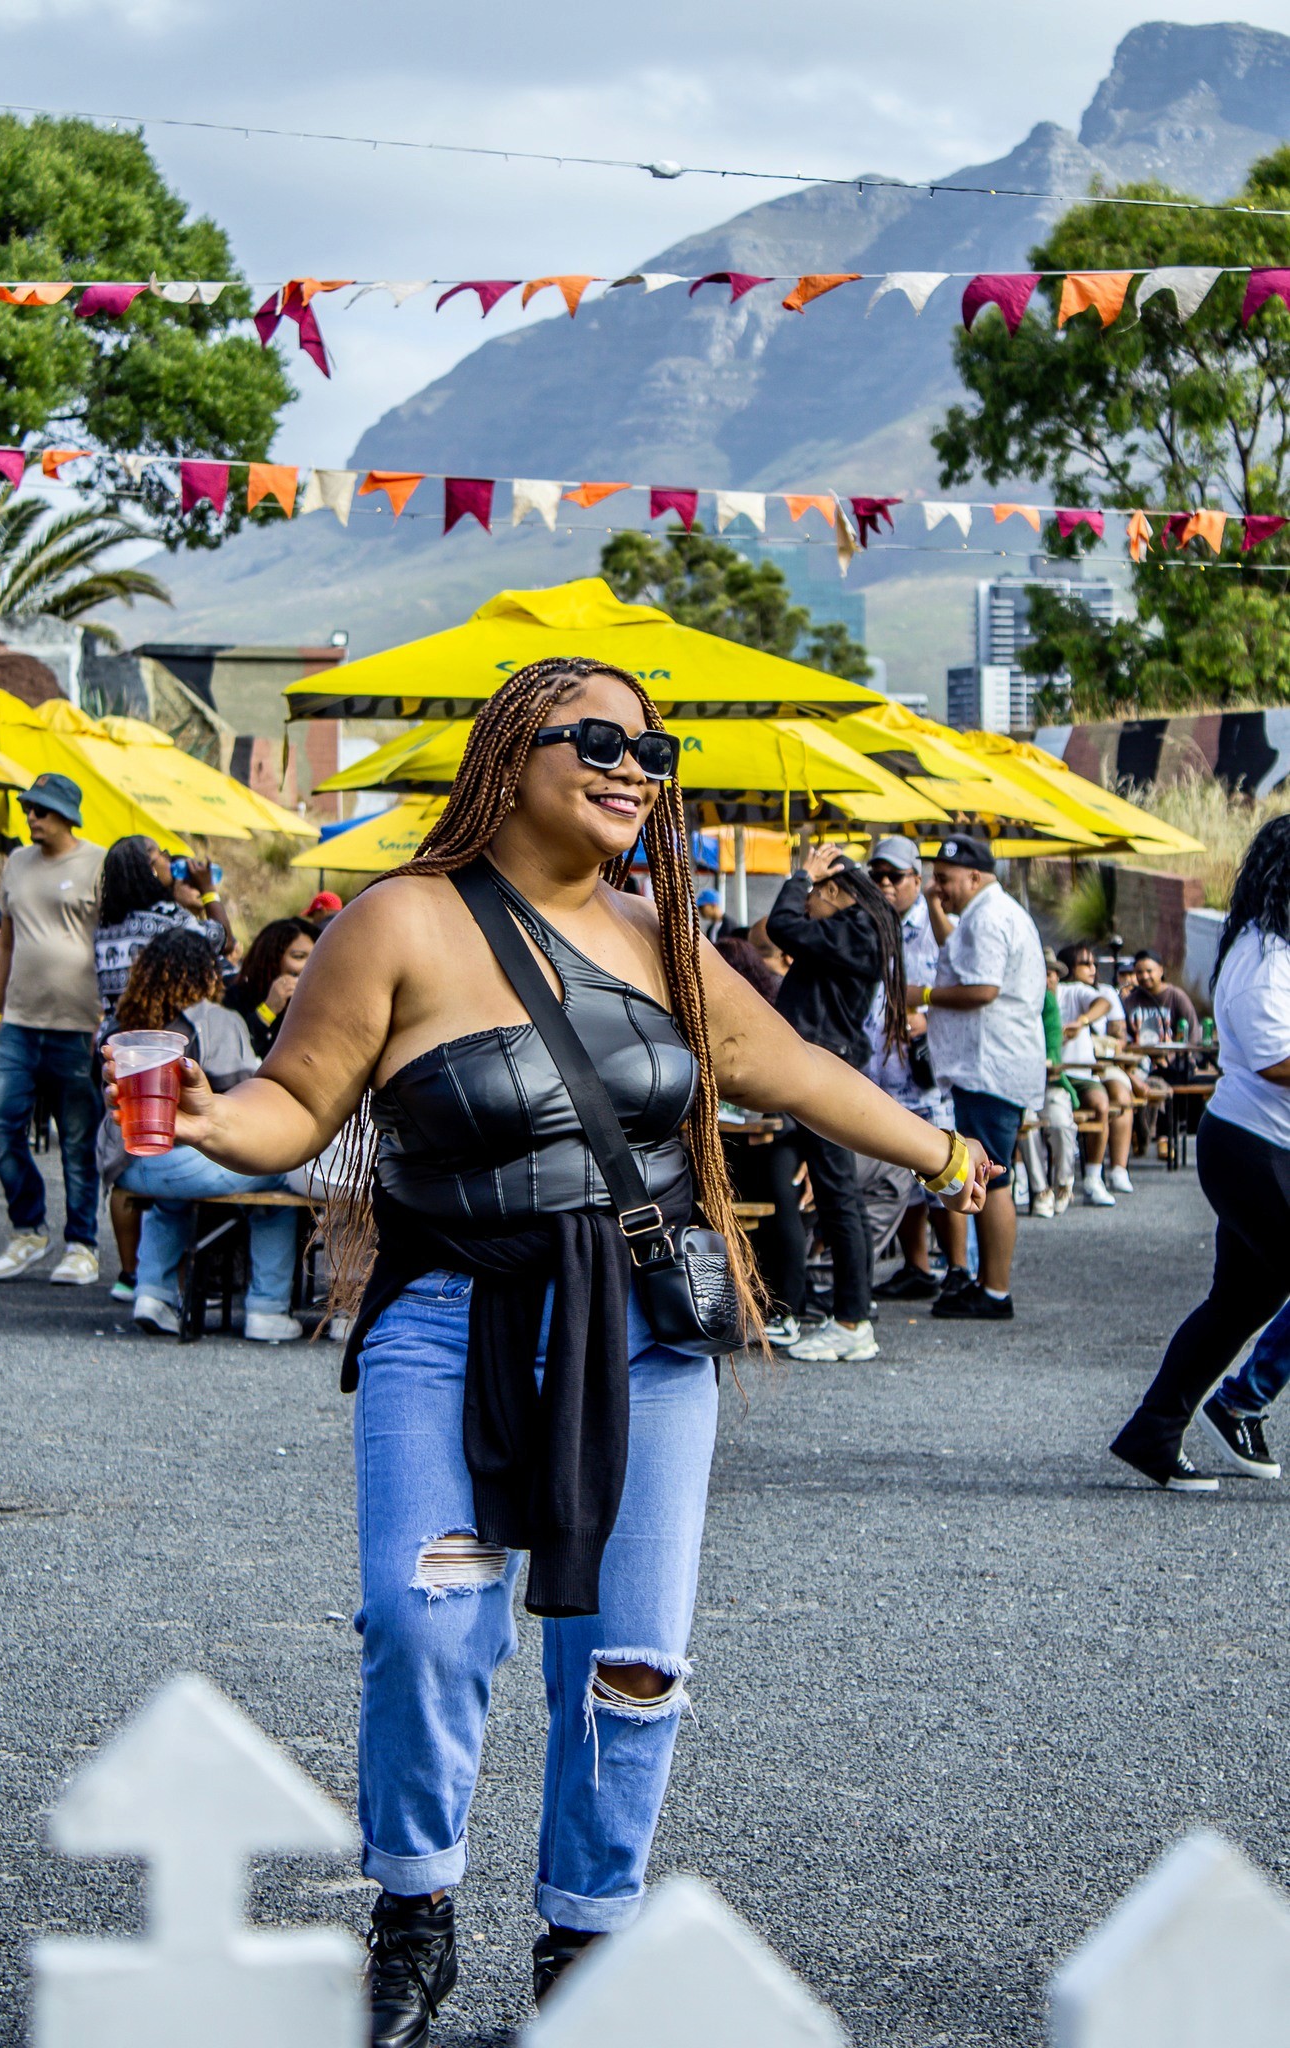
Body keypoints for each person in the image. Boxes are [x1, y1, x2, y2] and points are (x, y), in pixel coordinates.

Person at [129, 656, 989, 2039]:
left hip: (643, 1334)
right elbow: (297, 1099)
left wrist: (953, 1152)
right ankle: (413, 1909)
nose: (630, 766)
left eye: (650, 750)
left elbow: (789, 1069)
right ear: (509, 750)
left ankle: (588, 1937)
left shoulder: (660, 934)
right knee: (428, 1623)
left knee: (631, 1661)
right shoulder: (401, 920)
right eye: (595, 739)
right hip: (449, 1322)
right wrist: (214, 1124)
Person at [1111, 816, 1290, 1491]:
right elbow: (1275, 1061)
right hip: (1252, 1152)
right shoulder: (1262, 959)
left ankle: (1151, 1432)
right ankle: (1224, 1406)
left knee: (1238, 1304)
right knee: (1238, 1302)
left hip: (1260, 1148)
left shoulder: (1277, 946)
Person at [100, 927, 302, 1342]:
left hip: (124, 1159)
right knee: (280, 1180)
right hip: (178, 1155)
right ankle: (267, 1308)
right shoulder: (216, 1018)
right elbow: (244, 1095)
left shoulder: (126, 1020)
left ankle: (152, 1295)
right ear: (208, 973)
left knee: (174, 1198)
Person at [766, 846, 909, 1362]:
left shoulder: (856, 931)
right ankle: (824, 1313)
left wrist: (801, 873)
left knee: (838, 1197)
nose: (806, 904)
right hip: (817, 1069)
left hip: (824, 1073)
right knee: (823, 1192)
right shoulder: (855, 933)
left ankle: (853, 1321)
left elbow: (781, 926)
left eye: (813, 895)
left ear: (835, 891)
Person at [0, 773, 106, 1284]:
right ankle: (28, 1230)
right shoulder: (15, 863)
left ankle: (82, 1245)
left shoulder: (97, 863)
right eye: (30, 808)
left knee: (78, 1140)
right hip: (18, 1023)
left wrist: (107, 1018)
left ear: (67, 816)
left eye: (43, 810)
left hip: (79, 1027)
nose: (32, 817)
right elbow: (5, 943)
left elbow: (110, 940)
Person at [922, 835, 1046, 1322]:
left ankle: (995, 1290)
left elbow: (982, 988)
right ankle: (987, 1284)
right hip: (990, 1064)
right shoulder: (988, 910)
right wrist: (936, 903)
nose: (939, 888)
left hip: (990, 1066)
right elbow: (956, 951)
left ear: (974, 876)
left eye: (945, 880)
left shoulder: (990, 916)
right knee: (991, 1174)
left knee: (993, 1178)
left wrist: (923, 993)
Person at [865, 835, 956, 1299]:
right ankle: (917, 1267)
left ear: (916, 881)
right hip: (880, 1068)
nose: (884, 883)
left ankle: (959, 1269)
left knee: (942, 1172)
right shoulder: (870, 923)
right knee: (902, 1173)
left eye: (894, 876)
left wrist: (928, 1015)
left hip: (925, 1073)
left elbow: (966, 987)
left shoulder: (937, 926)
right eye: (875, 875)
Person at [714, 934, 808, 1347]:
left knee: (774, 1186)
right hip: (760, 1127)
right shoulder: (768, 1003)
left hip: (778, 1126)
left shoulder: (766, 1013)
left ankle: (782, 1307)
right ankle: (765, 1303)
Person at [94, 835, 233, 1017]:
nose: (168, 859)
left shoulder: (105, 928)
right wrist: (208, 889)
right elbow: (226, 941)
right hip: (156, 1035)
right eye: (162, 854)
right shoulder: (167, 917)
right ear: (152, 869)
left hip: (113, 1036)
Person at [1053, 944, 1129, 1206]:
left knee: (1101, 1103)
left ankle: (1094, 1179)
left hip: (1080, 1074)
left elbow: (1104, 1003)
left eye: (1054, 972)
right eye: (1046, 972)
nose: (1049, 977)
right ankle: (1032, 1183)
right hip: (1046, 1076)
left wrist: (1082, 1021)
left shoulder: (1073, 991)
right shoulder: (1031, 995)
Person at [1019, 948, 1079, 1218]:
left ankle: (1063, 1183)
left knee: (1059, 1122)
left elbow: (1053, 1048)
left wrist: (1044, 1061)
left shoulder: (1048, 1002)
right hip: (1019, 1085)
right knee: (1026, 1123)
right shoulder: (1014, 998)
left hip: (1050, 1082)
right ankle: (1040, 1189)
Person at [223, 917, 317, 1056]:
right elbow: (233, 1052)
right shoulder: (237, 997)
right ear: (270, 959)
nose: (308, 966)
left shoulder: (317, 1002)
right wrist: (268, 1010)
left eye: (315, 957)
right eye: (298, 956)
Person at [1124, 948, 1199, 1045]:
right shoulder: (1130, 1000)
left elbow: (1193, 1034)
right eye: (1139, 972)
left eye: (1149, 971)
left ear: (1161, 970)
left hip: (1173, 1057)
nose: (1145, 976)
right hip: (1140, 1057)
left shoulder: (1176, 996)